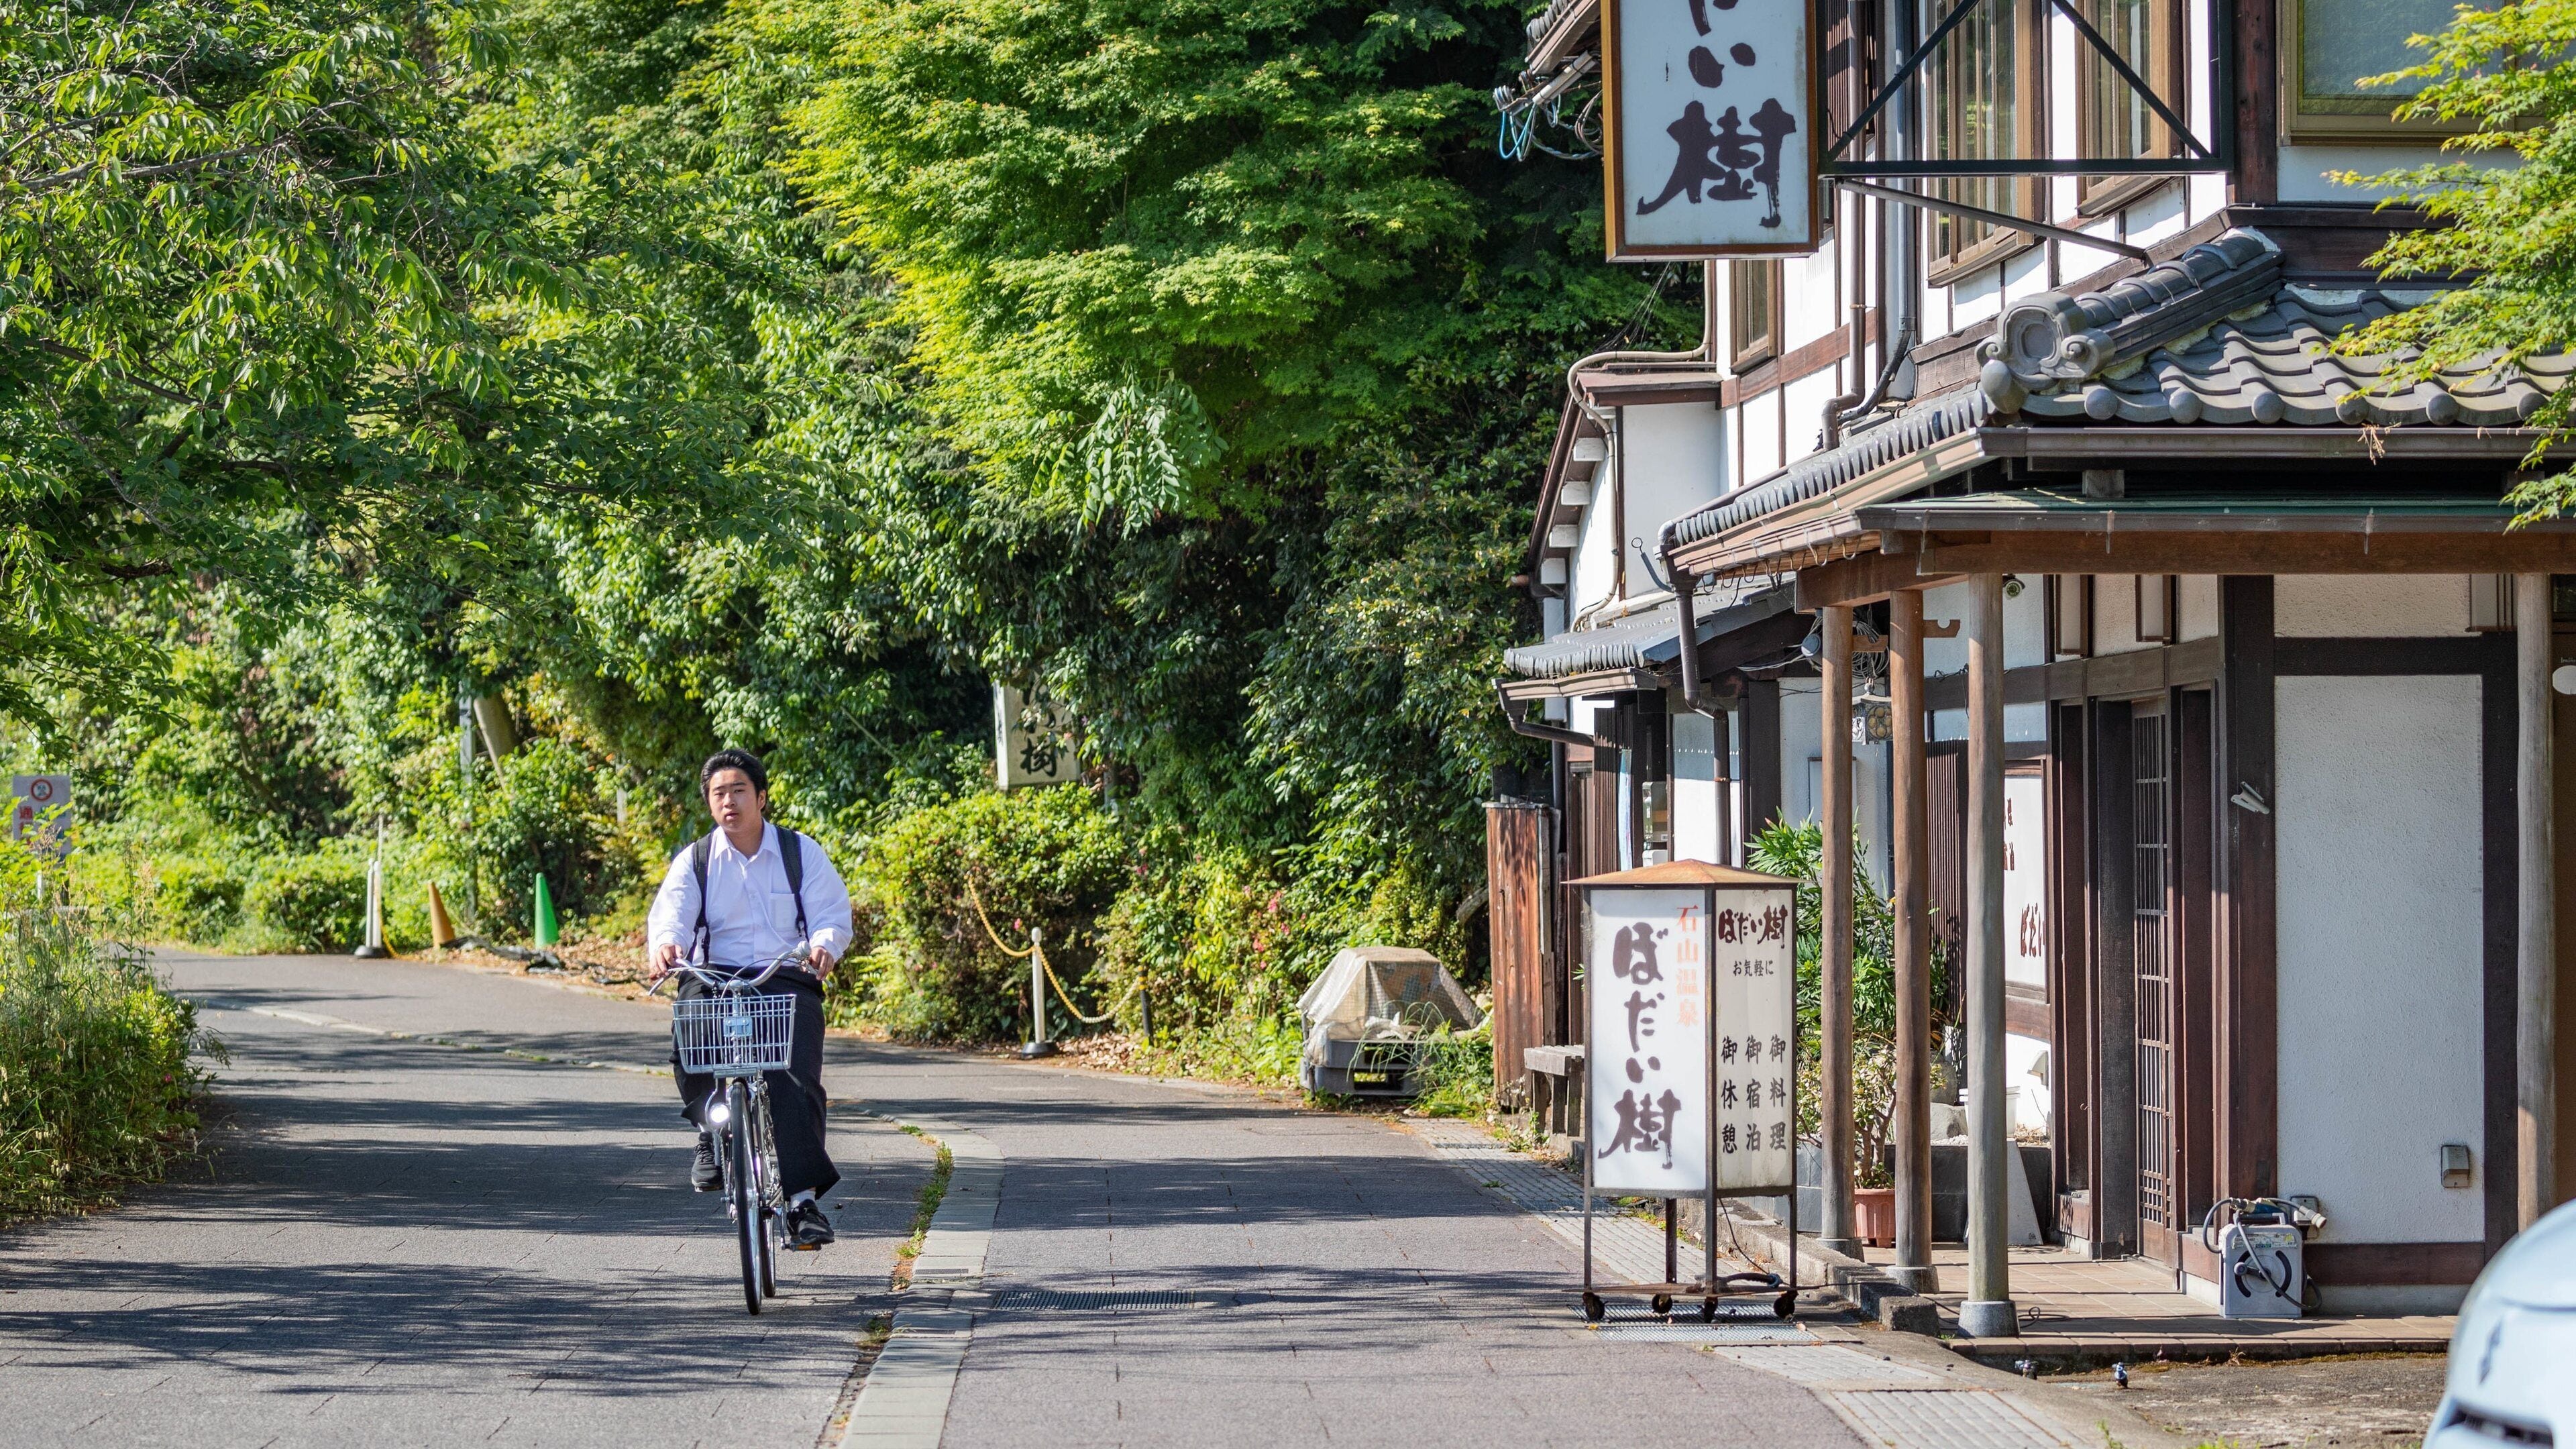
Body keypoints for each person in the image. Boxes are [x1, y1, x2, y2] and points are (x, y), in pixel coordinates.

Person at [647, 749, 854, 1249]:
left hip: (784, 973)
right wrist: (666, 945)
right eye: (719, 793)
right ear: (709, 803)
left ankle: (802, 1203)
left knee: (794, 1078)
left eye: (739, 790)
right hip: (713, 974)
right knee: (689, 1041)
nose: (729, 801)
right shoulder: (696, 859)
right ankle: (710, 1128)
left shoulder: (800, 853)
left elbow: (830, 912)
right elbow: (672, 914)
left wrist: (825, 944)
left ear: (761, 797)